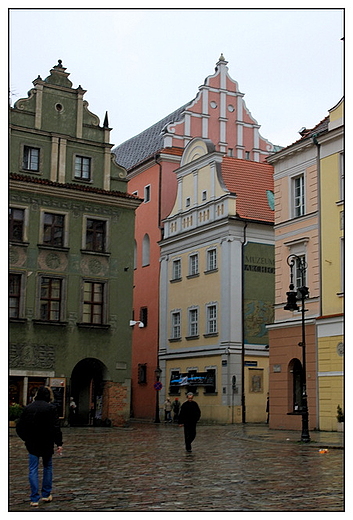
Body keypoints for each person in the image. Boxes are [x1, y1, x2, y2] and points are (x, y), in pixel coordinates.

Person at [16, 386, 63, 506]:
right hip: (47, 442)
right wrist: (59, 443)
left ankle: (34, 498)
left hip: (32, 442)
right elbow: (56, 427)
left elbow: (20, 426)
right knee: (47, 467)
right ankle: (46, 494)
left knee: (33, 469)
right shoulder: (51, 408)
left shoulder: (28, 408)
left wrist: (26, 438)